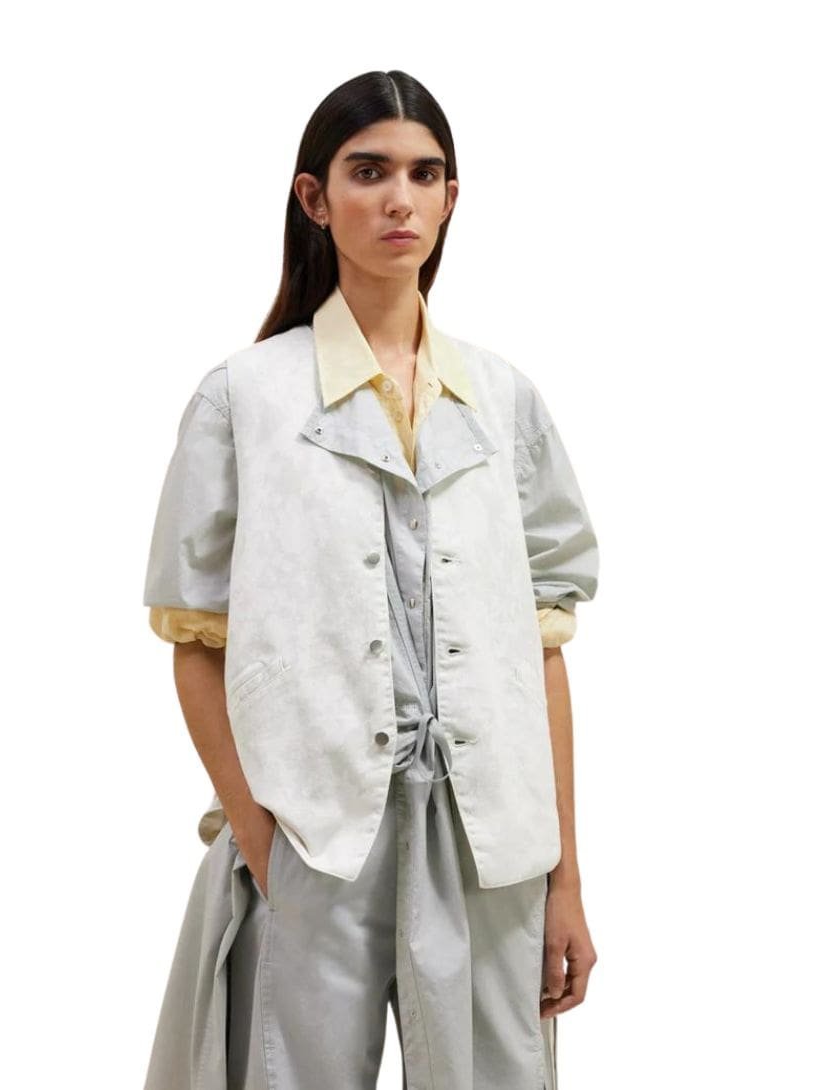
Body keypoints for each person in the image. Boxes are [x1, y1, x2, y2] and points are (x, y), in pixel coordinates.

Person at [140, 69, 600, 1090]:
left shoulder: (504, 401)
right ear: (314, 198)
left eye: (424, 175)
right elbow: (195, 642)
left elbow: (540, 657)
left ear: (451, 198)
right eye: (369, 171)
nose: (400, 199)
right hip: (315, 841)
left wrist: (565, 879)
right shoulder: (243, 399)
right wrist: (260, 839)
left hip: (490, 844)